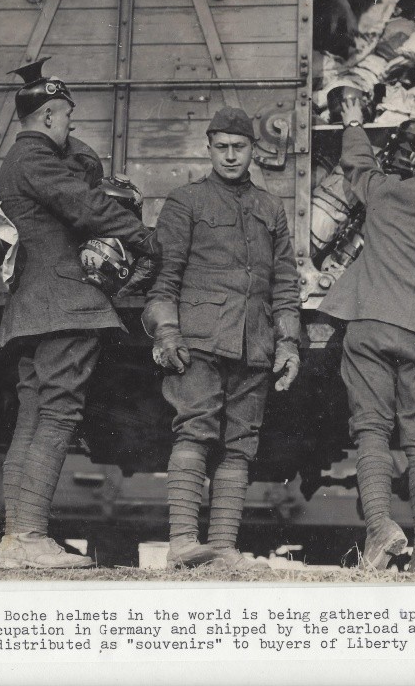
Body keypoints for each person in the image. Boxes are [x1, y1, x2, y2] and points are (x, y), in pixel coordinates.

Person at [0, 58, 159, 569]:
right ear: (47, 116)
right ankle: (27, 536)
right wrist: (146, 236)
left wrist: (79, 155)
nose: (72, 126)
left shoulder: (27, 160)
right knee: (59, 414)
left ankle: (15, 538)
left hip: (35, 305)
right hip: (65, 303)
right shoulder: (38, 160)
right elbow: (86, 206)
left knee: (33, 417)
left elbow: (81, 182)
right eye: (66, 116)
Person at [143, 107, 301, 571]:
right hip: (199, 341)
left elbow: (285, 284)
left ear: (254, 150)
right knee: (195, 429)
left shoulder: (271, 209)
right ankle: (183, 544)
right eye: (222, 148)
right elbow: (164, 281)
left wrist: (288, 342)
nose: (231, 156)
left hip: (255, 344)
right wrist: (167, 331)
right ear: (208, 149)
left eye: (240, 147)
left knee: (241, 443)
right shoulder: (185, 202)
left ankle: (223, 549)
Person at [319, 95, 415, 574]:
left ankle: (380, 529)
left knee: (372, 431)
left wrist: (354, 121)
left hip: (371, 326)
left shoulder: (384, 192)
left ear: (413, 159)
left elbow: (356, 161)